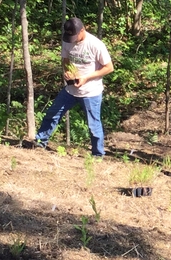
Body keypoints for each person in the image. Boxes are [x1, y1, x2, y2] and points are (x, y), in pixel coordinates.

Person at [34, 17, 115, 156]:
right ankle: (40, 142)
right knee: (52, 114)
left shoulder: (96, 45)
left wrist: (86, 78)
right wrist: (67, 71)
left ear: (82, 30)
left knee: (93, 125)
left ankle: (97, 154)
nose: (71, 39)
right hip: (70, 90)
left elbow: (109, 68)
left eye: (74, 36)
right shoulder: (67, 41)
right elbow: (65, 60)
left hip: (91, 91)